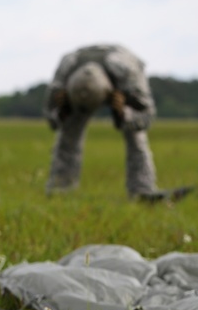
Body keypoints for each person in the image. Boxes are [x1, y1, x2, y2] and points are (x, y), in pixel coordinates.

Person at [44, 44, 168, 200]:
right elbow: (51, 117)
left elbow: (147, 116)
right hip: (72, 94)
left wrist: (124, 114)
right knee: (67, 133)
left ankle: (142, 190)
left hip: (122, 85)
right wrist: (61, 113)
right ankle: (59, 189)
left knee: (136, 137)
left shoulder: (127, 72)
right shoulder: (65, 70)